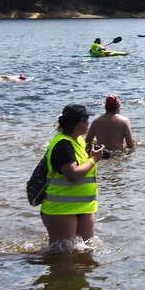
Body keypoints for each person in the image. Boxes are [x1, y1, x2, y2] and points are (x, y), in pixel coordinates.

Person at [41, 104, 106, 248]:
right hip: (61, 209)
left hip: (84, 207)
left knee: (88, 251)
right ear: (79, 122)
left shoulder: (78, 140)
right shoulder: (62, 144)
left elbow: (82, 164)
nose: (89, 123)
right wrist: (94, 159)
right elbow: (72, 175)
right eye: (86, 120)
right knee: (62, 257)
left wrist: (94, 154)